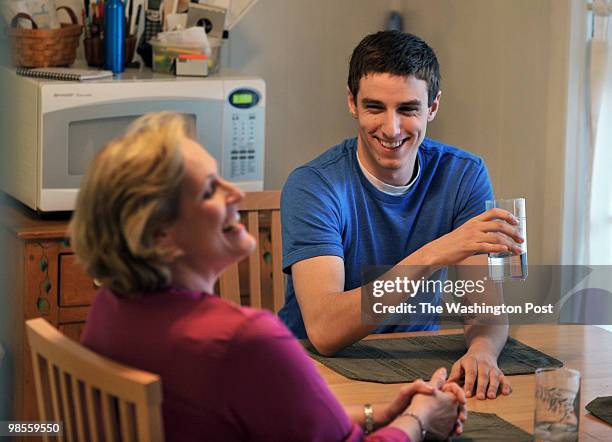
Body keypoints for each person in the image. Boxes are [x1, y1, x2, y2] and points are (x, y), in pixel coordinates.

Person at [71, 112, 467, 442]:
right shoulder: (244, 340)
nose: (236, 193)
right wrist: (419, 420)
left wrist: (376, 414)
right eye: (210, 189)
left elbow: (270, 417)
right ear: (161, 235)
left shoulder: (111, 307)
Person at [279, 31, 524, 400]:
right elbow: (325, 332)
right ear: (352, 103)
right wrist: (433, 254)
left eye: (408, 109)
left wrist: (482, 352)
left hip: (417, 370)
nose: (391, 128)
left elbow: (485, 309)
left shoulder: (464, 176)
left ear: (433, 107)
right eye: (375, 107)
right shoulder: (313, 186)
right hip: (313, 374)